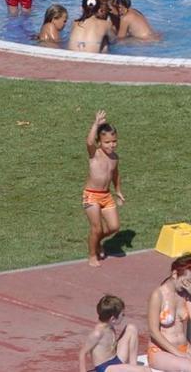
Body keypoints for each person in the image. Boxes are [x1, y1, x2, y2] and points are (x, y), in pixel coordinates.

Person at [83, 111, 125, 267]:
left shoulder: (115, 158)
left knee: (114, 227)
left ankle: (97, 241)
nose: (111, 145)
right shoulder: (95, 154)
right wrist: (96, 123)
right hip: (91, 196)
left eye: (114, 141)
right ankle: (92, 255)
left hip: (106, 196)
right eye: (107, 142)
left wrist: (118, 191)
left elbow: (115, 175)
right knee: (97, 227)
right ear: (99, 142)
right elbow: (88, 142)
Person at [78, 294, 145, 372]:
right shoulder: (97, 333)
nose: (124, 316)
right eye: (122, 315)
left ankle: (133, 365)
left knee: (131, 328)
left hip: (115, 359)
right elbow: (82, 353)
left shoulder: (109, 325)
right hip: (106, 368)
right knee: (144, 370)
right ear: (113, 319)